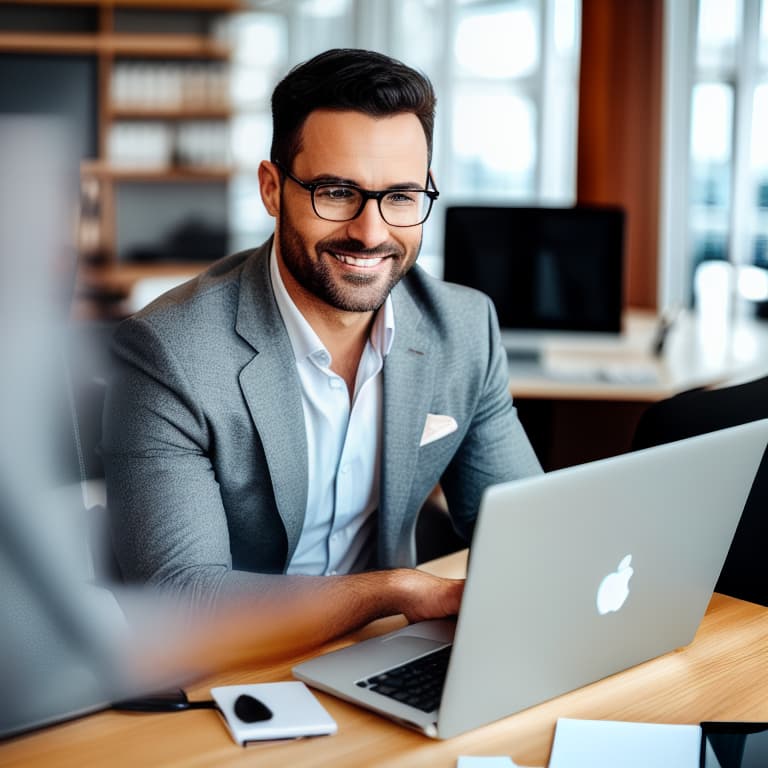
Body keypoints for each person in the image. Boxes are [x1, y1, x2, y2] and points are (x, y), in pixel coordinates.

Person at [102, 48, 542, 645]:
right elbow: (180, 597)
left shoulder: (463, 329)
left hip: (383, 651)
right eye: (337, 192)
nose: (371, 231)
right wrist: (393, 590)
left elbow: (530, 534)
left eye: (402, 196)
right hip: (232, 666)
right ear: (271, 189)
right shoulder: (168, 353)